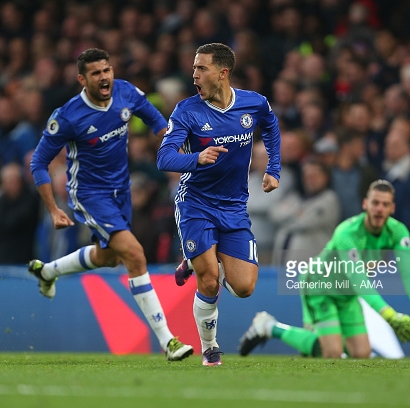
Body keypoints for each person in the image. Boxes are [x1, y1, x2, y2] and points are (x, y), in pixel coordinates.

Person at [28, 48, 193, 362]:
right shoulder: (68, 116)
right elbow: (38, 163)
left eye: (106, 70)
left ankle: (47, 272)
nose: (104, 77)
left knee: (108, 258)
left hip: (121, 191)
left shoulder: (126, 93)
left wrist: (182, 152)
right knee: (134, 254)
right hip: (89, 194)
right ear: (82, 79)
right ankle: (168, 341)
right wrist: (53, 209)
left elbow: (158, 123)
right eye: (95, 73)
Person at [157, 43, 281, 366]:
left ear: (222, 73)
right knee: (210, 278)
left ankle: (196, 257)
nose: (194, 74)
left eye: (202, 68)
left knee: (244, 287)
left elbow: (271, 125)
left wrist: (273, 168)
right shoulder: (187, 111)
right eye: (194, 68)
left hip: (234, 207)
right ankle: (209, 347)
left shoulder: (253, 104)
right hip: (196, 203)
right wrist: (195, 158)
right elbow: (163, 158)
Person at [238, 179, 410, 358]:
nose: (379, 209)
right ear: (365, 204)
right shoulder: (347, 233)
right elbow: (358, 280)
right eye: (375, 203)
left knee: (361, 354)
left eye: (385, 204)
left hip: (347, 294)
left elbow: (408, 272)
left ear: (392, 208)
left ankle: (312, 341)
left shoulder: (398, 232)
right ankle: (269, 327)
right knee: (331, 352)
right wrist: (389, 315)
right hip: (319, 287)